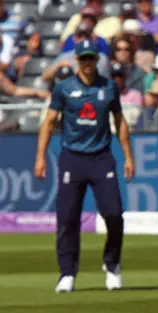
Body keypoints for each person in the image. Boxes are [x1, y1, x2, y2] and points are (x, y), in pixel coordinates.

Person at [33, 39, 134, 293]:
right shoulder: (64, 88)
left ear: (97, 60)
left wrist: (128, 156)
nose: (88, 63)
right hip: (72, 158)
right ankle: (67, 273)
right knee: (67, 217)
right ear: (76, 60)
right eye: (83, 58)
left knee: (113, 213)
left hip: (101, 158)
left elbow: (120, 122)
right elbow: (48, 122)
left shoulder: (109, 87)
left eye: (91, 58)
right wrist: (41, 157)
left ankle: (112, 265)